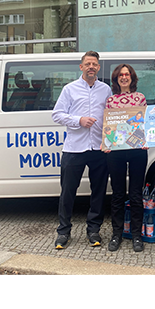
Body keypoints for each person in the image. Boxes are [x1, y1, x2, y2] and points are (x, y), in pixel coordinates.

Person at [52, 51, 112, 249]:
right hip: (74, 148)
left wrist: (111, 141)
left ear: (98, 68)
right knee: (68, 192)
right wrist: (79, 120)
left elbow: (111, 116)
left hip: (99, 148)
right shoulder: (69, 89)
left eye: (94, 64)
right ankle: (63, 232)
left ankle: (93, 230)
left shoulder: (105, 90)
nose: (91, 67)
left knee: (99, 192)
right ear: (81, 67)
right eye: (88, 64)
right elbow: (57, 114)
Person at [103, 63, 148, 253]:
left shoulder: (140, 98)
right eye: (120, 75)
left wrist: (147, 139)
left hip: (138, 149)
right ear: (116, 79)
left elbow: (145, 123)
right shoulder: (111, 101)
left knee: (136, 194)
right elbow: (108, 126)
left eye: (127, 74)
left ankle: (137, 235)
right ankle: (117, 234)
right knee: (118, 194)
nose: (124, 77)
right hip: (116, 151)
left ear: (132, 77)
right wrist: (106, 143)